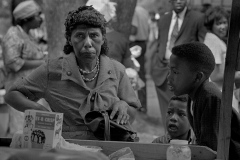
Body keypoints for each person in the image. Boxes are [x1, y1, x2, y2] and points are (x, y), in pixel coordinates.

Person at [4, 5, 141, 140]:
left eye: (94, 35)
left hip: (109, 146)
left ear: (103, 38)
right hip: (68, 148)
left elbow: (133, 112)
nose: (87, 43)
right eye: (80, 36)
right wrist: (39, 110)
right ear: (70, 39)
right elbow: (12, 95)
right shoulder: (52, 70)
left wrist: (124, 106)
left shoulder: (117, 70)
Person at [167, 42, 240, 158]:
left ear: (198, 77)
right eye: (170, 70)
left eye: (175, 72)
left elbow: (208, 151)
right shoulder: (194, 96)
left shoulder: (209, 97)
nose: (169, 77)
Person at [151, 0, 207, 133]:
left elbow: (203, 46)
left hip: (183, 75)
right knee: (167, 113)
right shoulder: (164, 19)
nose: (179, 1)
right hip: (161, 71)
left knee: (183, 113)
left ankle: (184, 143)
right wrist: (155, 63)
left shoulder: (197, 18)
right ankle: (168, 140)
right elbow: (160, 42)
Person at [2, 0, 47, 137]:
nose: (41, 18)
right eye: (38, 15)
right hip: (18, 89)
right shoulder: (13, 34)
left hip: (33, 88)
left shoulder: (30, 35)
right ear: (27, 19)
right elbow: (12, 63)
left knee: (35, 129)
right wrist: (42, 63)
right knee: (21, 127)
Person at [203, 6, 239, 112]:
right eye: (218, 24)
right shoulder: (214, 42)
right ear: (211, 25)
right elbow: (214, 75)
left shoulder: (213, 39)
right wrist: (237, 75)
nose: (222, 27)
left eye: (224, 22)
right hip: (221, 94)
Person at [129, 5, 150, 113]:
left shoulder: (133, 10)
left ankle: (133, 103)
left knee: (130, 73)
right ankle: (143, 105)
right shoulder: (144, 10)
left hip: (134, 44)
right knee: (141, 73)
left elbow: (134, 29)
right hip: (143, 43)